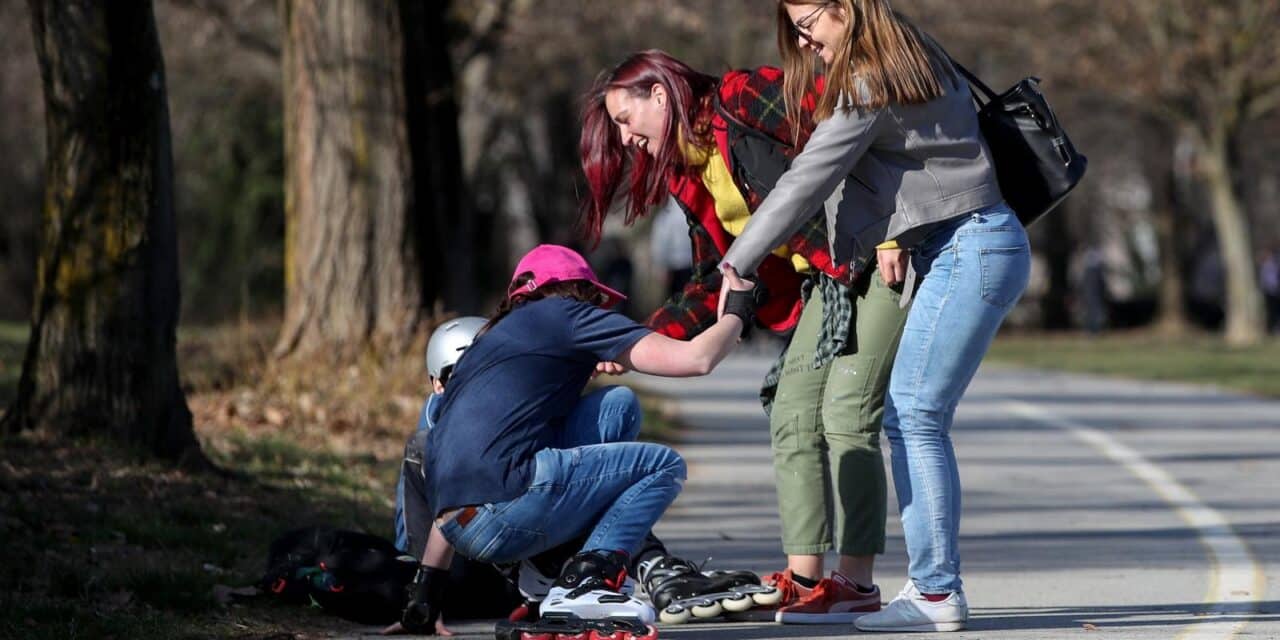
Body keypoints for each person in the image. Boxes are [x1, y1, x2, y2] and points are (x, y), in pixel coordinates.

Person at [717, 1, 1032, 632]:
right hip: (968, 244)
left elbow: (808, 177)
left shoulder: (868, 85)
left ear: (847, 7)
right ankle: (934, 589)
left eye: (809, 24)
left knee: (914, 414)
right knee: (915, 415)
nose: (805, 42)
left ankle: (937, 592)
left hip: (967, 246)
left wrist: (739, 260)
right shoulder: (913, 57)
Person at [581, 50, 907, 623]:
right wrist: (638, 341)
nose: (626, 138)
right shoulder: (690, 171)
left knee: (849, 413)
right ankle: (806, 580)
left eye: (626, 119)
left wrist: (894, 230)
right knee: (790, 411)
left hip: (876, 256)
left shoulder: (743, 99)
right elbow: (719, 275)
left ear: (660, 96)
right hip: (823, 284)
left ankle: (855, 581)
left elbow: (857, 127)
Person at [393, 244, 759, 635]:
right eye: (594, 297)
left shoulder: (489, 343)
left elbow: (463, 467)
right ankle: (586, 581)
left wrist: (424, 597)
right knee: (663, 465)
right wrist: (738, 309)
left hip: (458, 526)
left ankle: (547, 570)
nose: (597, 306)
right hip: (504, 512)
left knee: (617, 405)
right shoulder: (566, 315)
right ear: (577, 291)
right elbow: (696, 359)